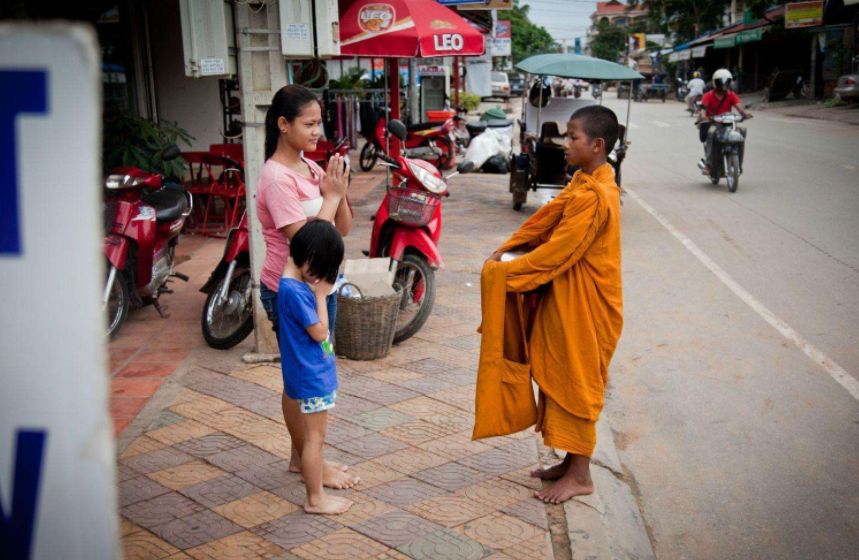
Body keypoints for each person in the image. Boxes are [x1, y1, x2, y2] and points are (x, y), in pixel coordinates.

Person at [474, 105, 623, 504]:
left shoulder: (595, 195)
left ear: (597, 145)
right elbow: (547, 230)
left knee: (575, 381)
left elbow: (558, 254)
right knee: (557, 373)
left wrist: (506, 272)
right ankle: (569, 462)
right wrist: (512, 252)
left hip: (586, 306)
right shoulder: (583, 182)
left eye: (573, 137)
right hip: (566, 299)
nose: (565, 143)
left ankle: (581, 475)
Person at [257, 84, 358, 489]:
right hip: (293, 291)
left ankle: (304, 458)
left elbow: (342, 229)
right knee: (301, 377)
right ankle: (307, 460)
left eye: (320, 123)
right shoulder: (276, 178)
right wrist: (330, 198)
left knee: (307, 373)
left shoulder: (311, 168)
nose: (318, 131)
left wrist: (340, 192)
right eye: (309, 123)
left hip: (322, 289)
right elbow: (308, 244)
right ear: (283, 125)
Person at [277, 220, 352, 515]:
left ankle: (314, 491)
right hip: (312, 376)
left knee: (313, 439)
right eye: (320, 269)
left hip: (305, 372)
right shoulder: (296, 291)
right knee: (315, 440)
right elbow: (320, 332)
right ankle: (315, 498)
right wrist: (321, 296)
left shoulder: (290, 282)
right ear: (306, 258)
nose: (321, 277)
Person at [697, 69, 752, 173]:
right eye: (720, 82)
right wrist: (704, 116)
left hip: (728, 124)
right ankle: (708, 164)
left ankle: (739, 164)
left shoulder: (731, 95)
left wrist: (744, 115)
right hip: (713, 124)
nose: (722, 85)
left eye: (725, 82)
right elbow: (703, 110)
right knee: (711, 133)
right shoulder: (708, 95)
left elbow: (740, 108)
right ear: (715, 82)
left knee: (741, 131)